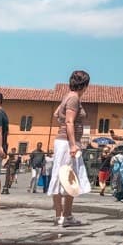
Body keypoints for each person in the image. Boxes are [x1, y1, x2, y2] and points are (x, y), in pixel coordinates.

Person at [48, 69, 92, 227]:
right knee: (67, 179)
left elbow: (56, 114)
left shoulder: (68, 96)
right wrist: (73, 144)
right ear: (85, 85)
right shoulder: (73, 99)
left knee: (62, 177)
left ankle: (62, 215)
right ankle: (64, 216)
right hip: (67, 142)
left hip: (63, 141)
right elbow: (69, 122)